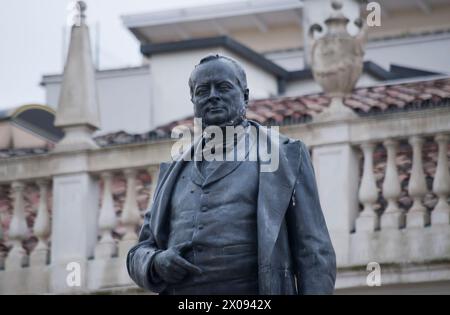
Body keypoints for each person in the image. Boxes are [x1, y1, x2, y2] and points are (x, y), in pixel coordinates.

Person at [127, 54, 336, 295]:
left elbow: (314, 250)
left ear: (245, 96)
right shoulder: (174, 168)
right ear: (193, 100)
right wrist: (156, 263)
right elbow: (139, 251)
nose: (212, 95)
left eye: (223, 87)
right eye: (203, 90)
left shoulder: (285, 156)